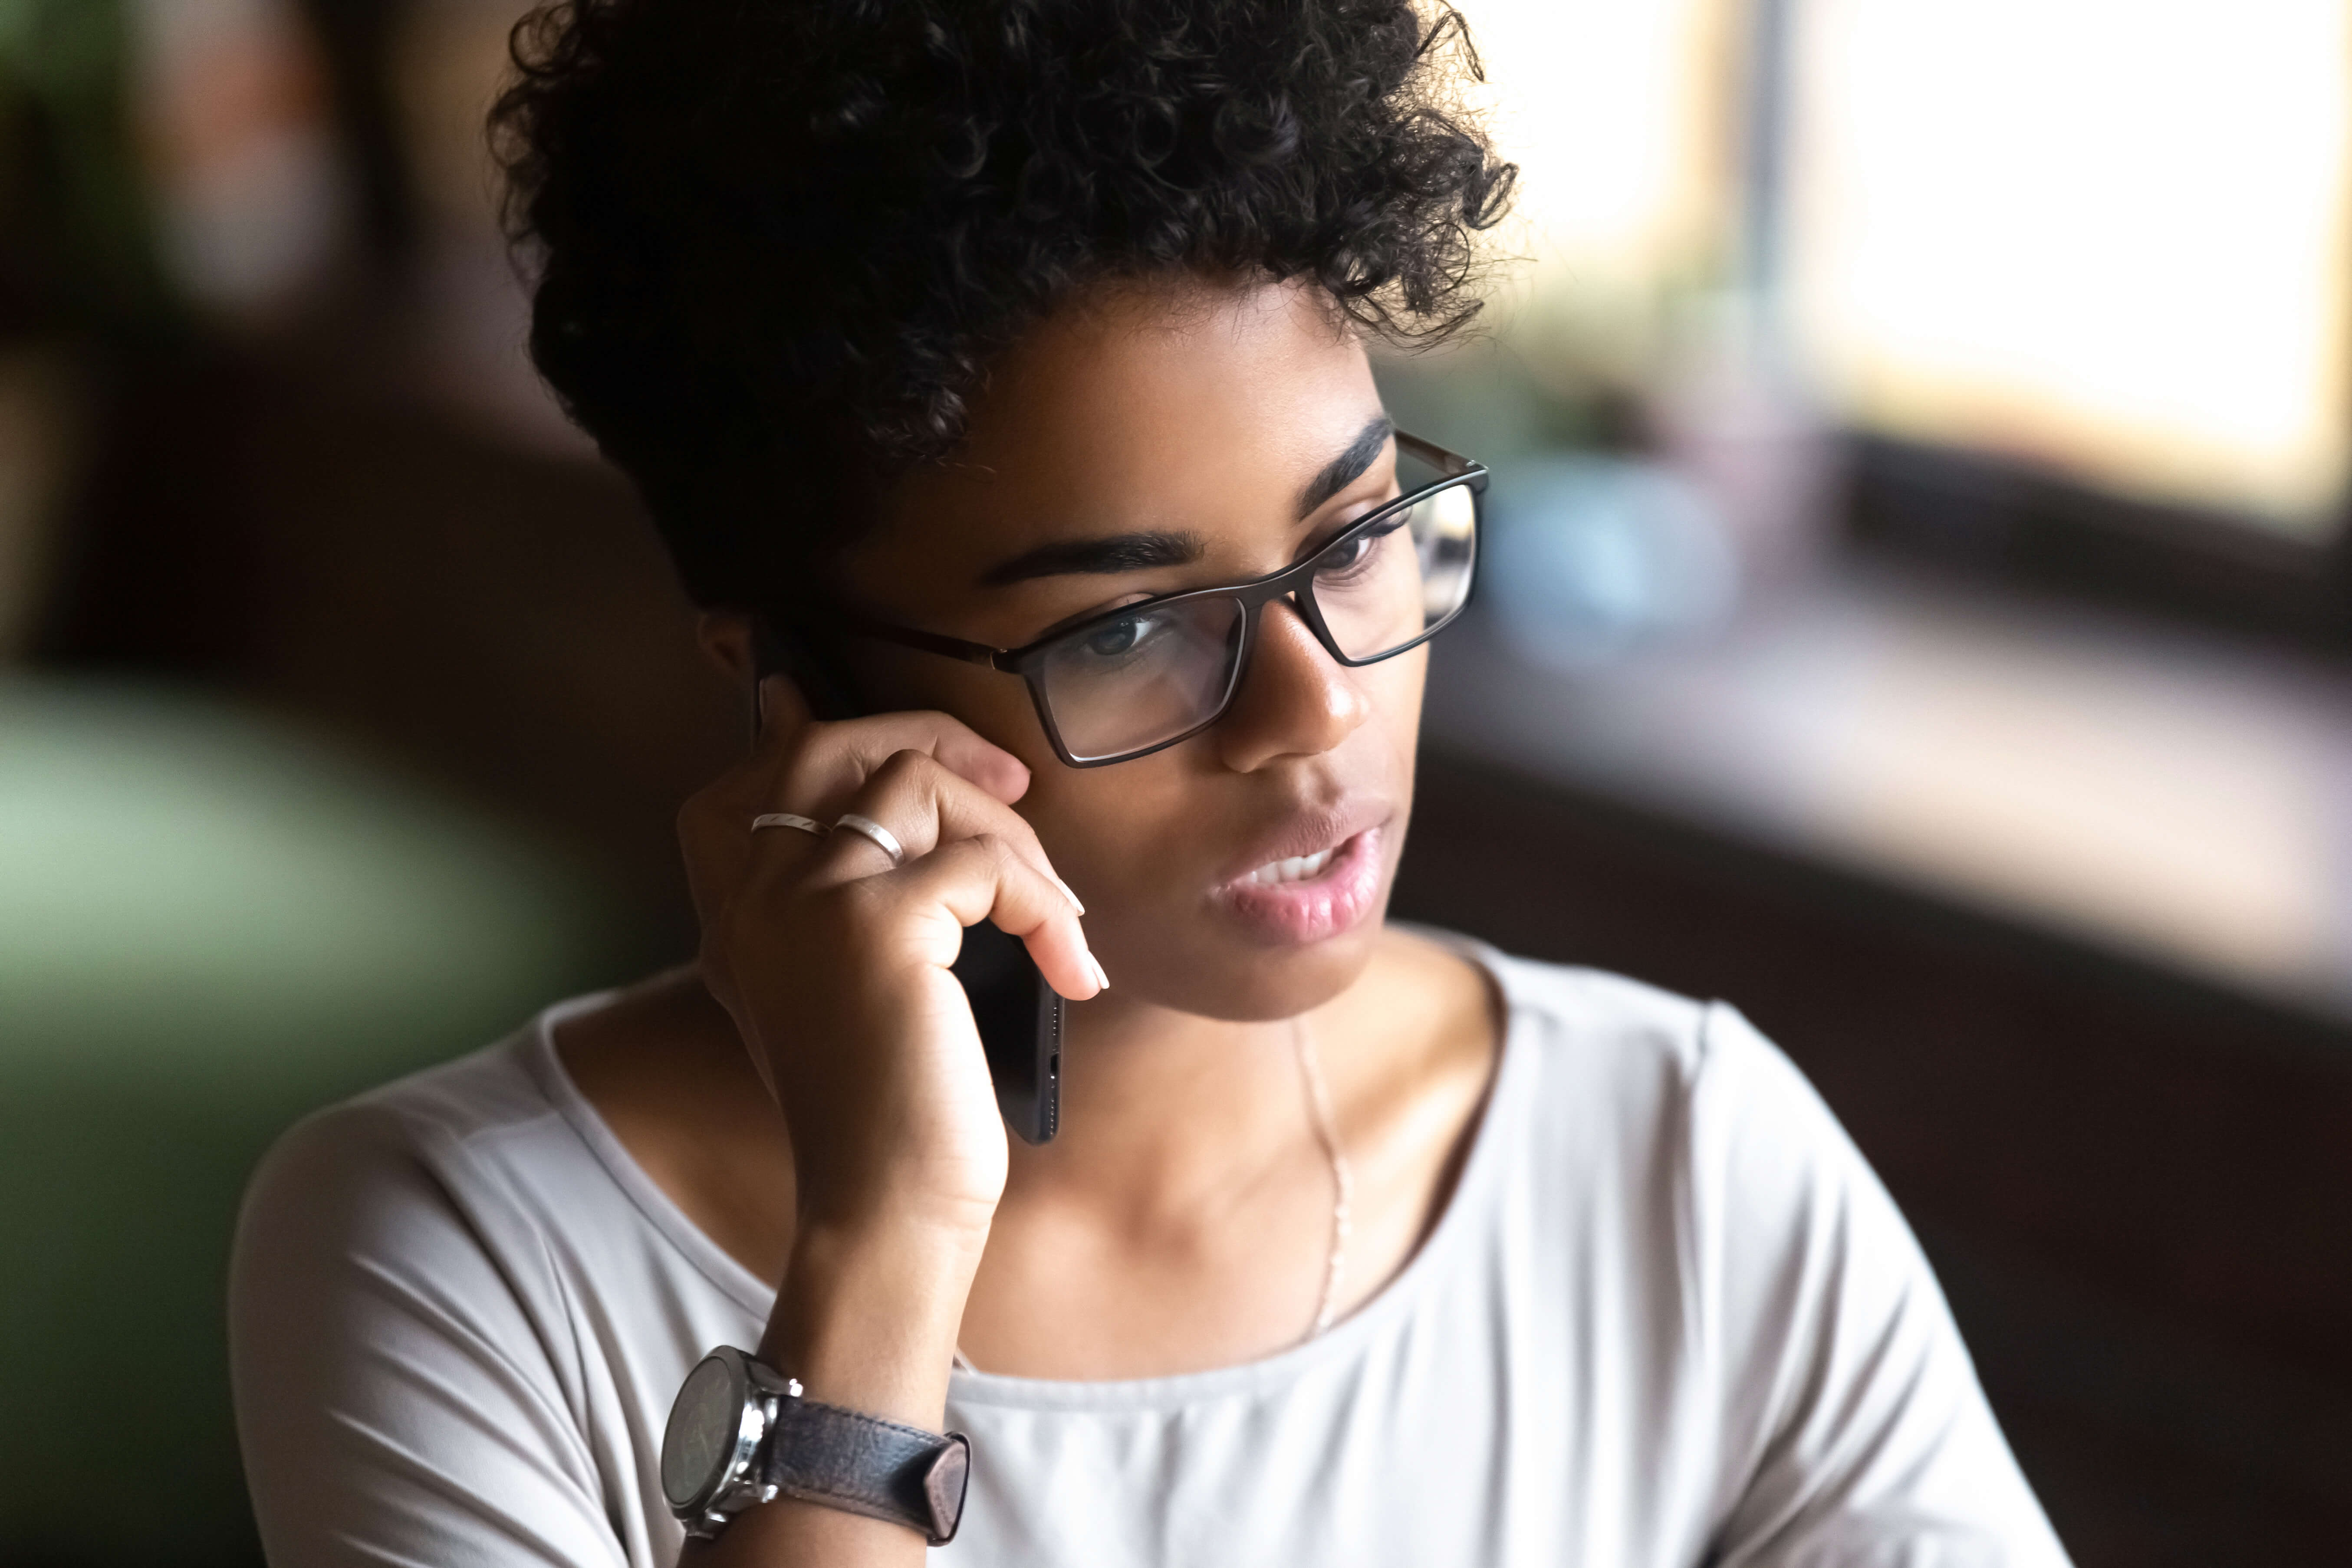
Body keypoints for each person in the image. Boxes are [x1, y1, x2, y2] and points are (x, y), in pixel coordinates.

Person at [228, 1, 2072, 1564]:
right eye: (1125, 628)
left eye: (1353, 539)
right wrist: (881, 1243)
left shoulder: (1676, 1172)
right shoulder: (457, 1257)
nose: (1307, 710)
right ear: (793, 679)